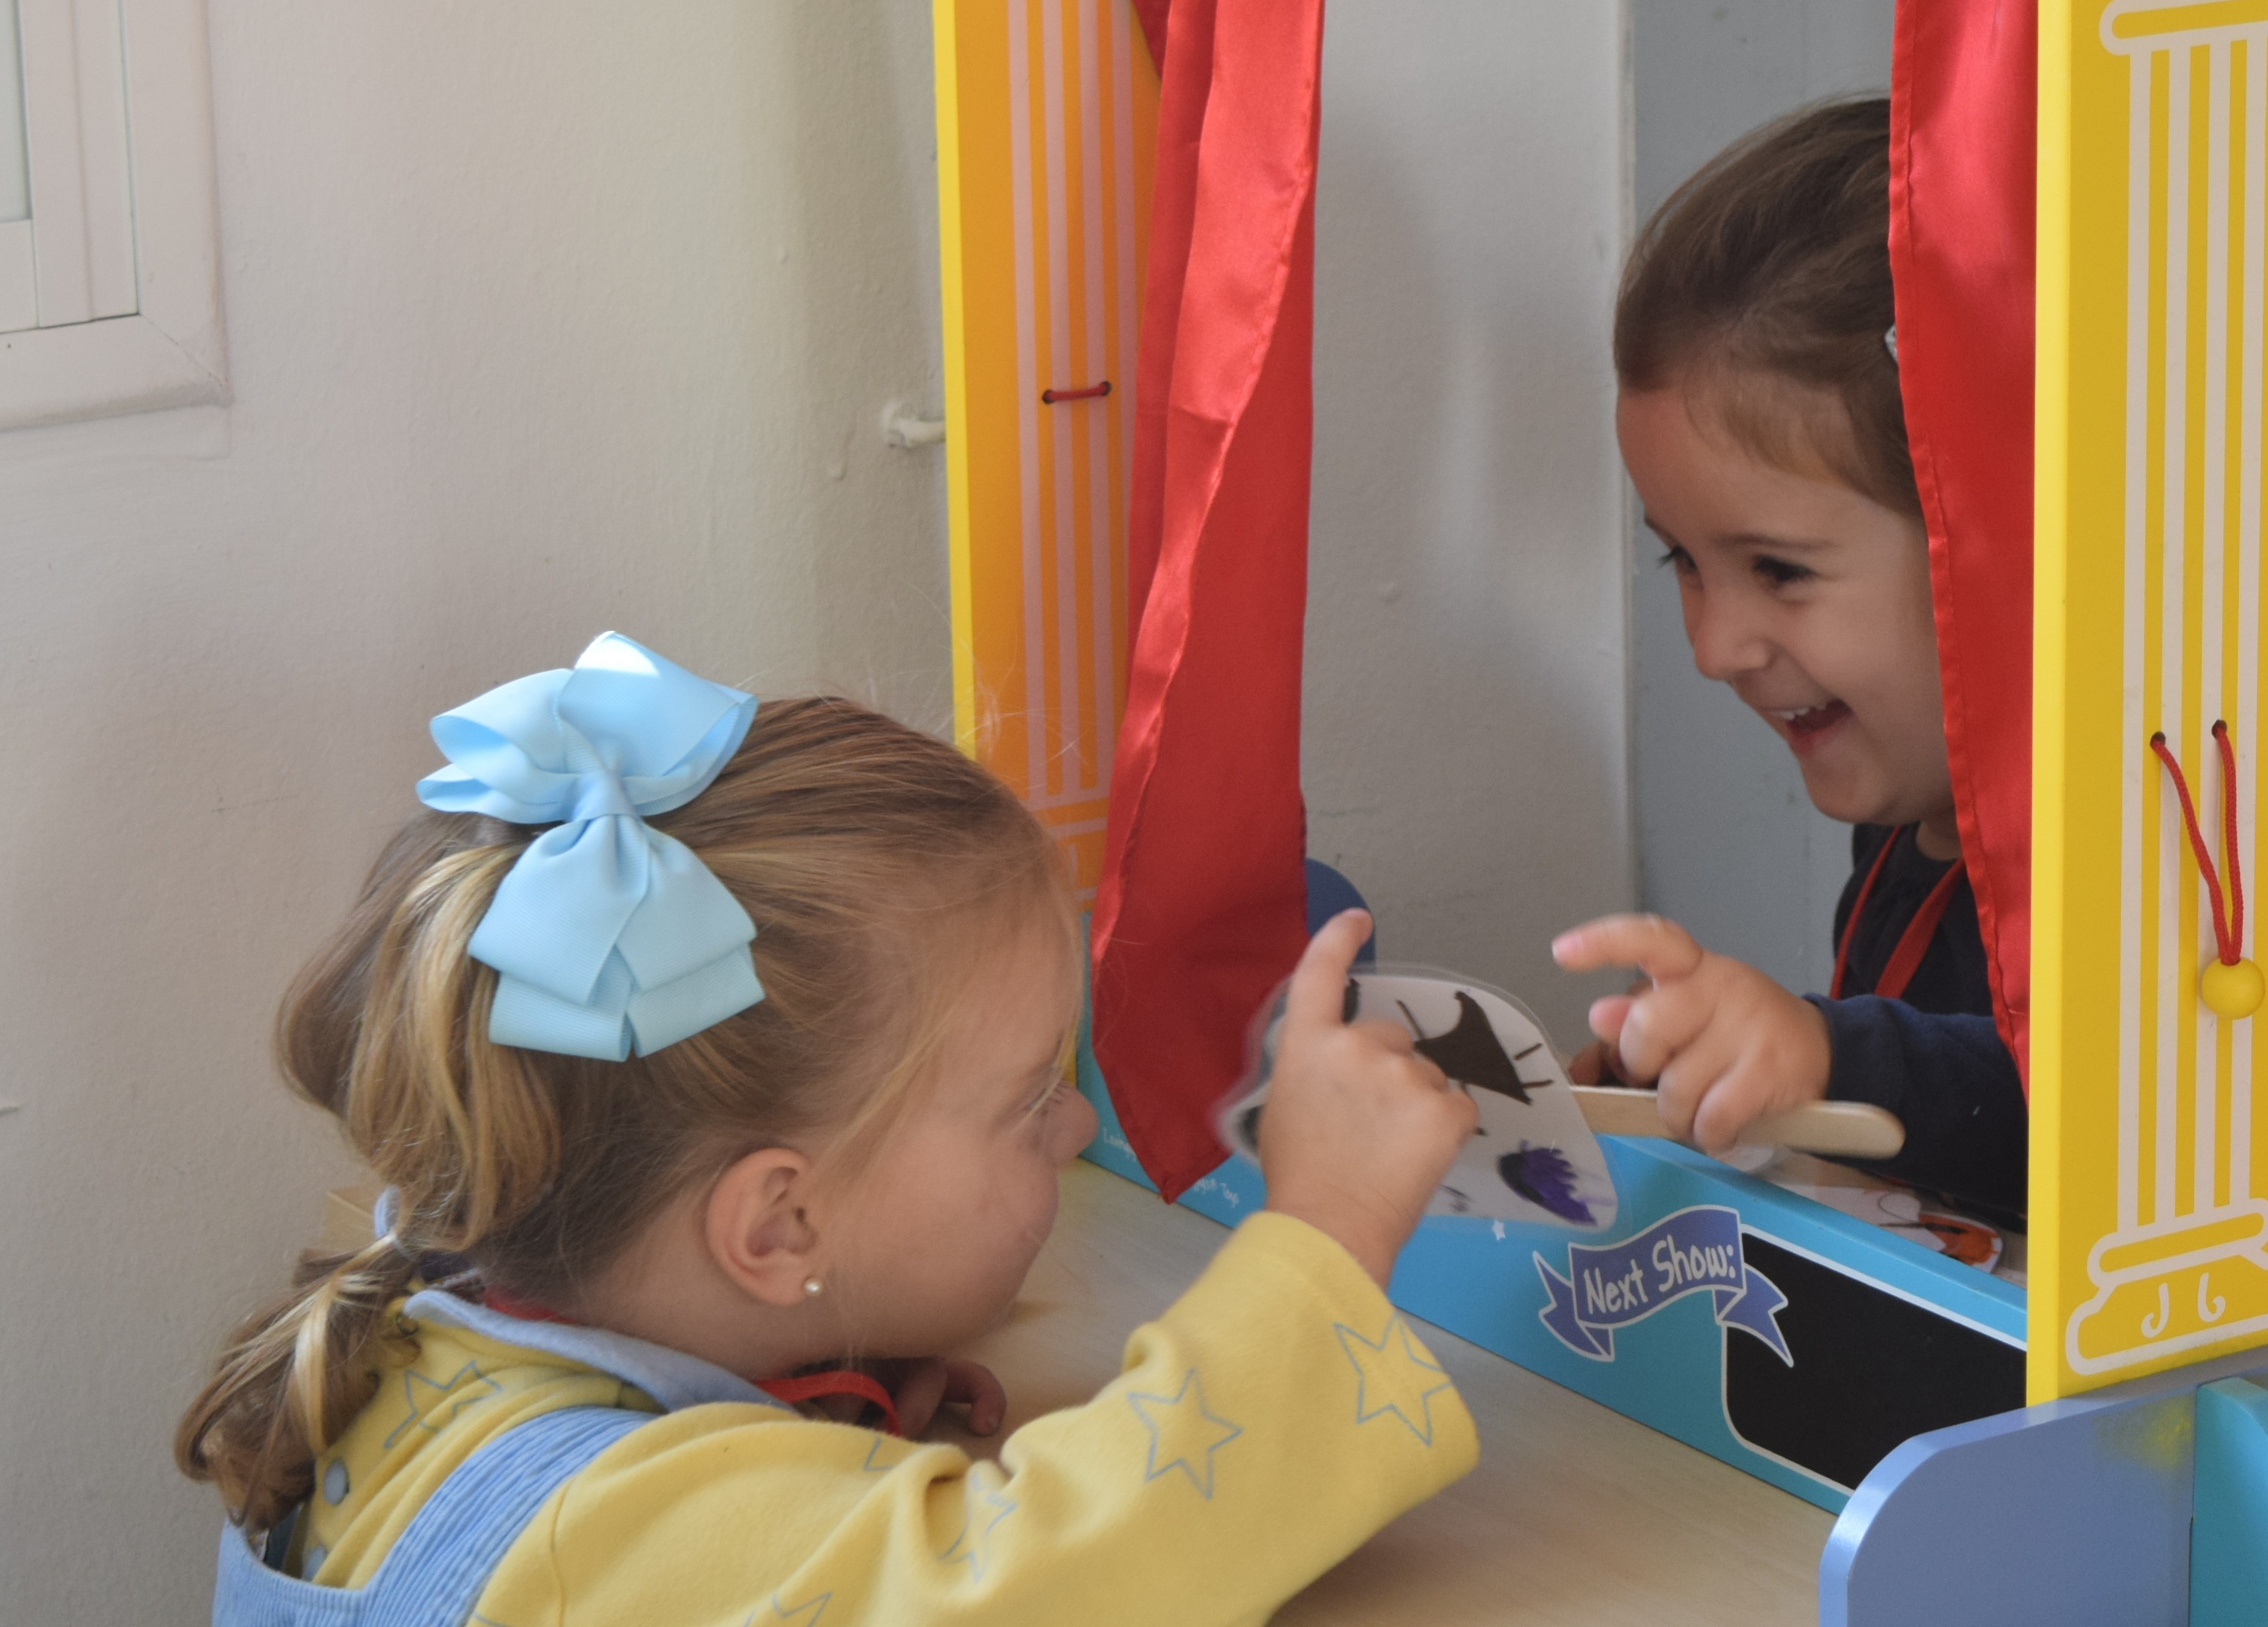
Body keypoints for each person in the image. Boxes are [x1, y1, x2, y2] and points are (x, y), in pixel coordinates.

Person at [180, 633, 1480, 1625]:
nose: (1074, 1121)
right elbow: (1075, 1577)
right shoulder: (610, 1539)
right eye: (1026, 1101)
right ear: (780, 1226)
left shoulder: (418, 1331)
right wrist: (1330, 1228)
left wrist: (800, 1395)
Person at [1553, 98, 2026, 1215]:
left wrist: (1828, 1056)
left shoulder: (2151, 868)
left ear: (2004, 551)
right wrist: (1727, 1085)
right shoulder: (1904, 817)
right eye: (1684, 559)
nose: (1714, 648)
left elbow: (2069, 1109)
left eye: (1778, 569)